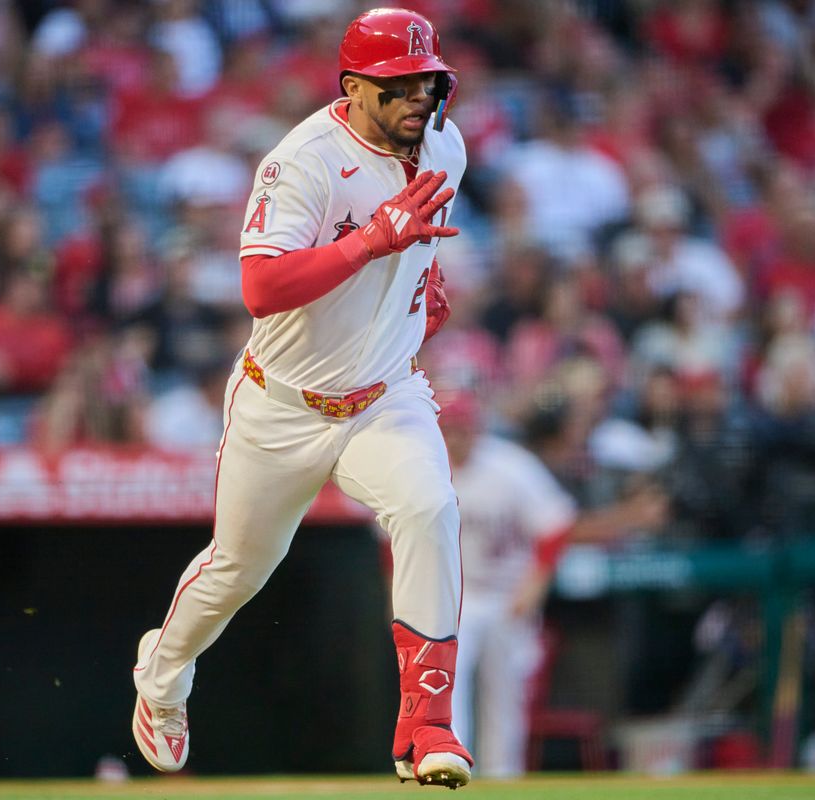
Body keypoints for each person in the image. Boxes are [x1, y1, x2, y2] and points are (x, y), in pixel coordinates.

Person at [131, 8, 472, 788]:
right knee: (239, 570)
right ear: (353, 88)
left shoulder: (446, 148)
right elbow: (260, 287)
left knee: (429, 509)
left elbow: (415, 259)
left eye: (429, 80)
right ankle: (163, 672)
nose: (419, 97)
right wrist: (368, 243)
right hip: (282, 402)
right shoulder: (304, 161)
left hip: (385, 395)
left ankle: (427, 728)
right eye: (398, 85)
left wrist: (420, 291)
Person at [438, 389, 668, 778]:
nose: (456, 437)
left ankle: (501, 777)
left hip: (506, 593)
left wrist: (535, 584)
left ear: (477, 428)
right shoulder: (425, 465)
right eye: (448, 429)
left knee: (506, 695)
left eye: (463, 428)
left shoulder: (510, 466)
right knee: (449, 684)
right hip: (454, 597)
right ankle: (449, 763)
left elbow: (555, 527)